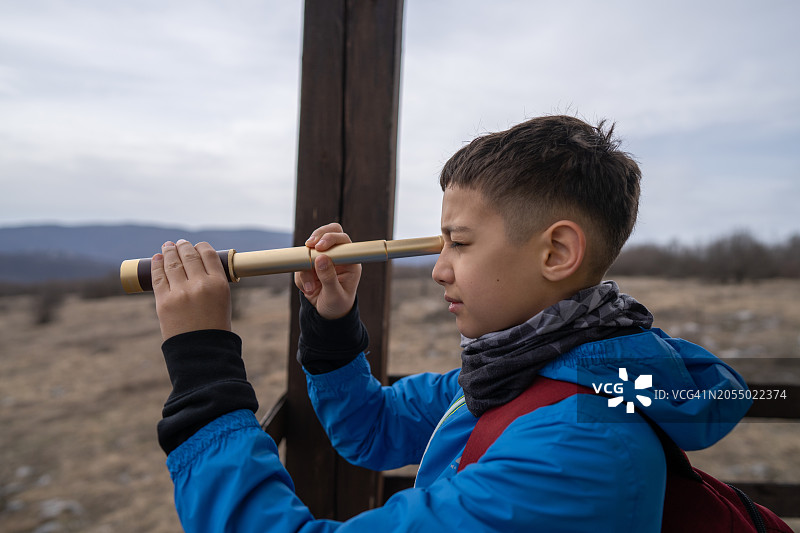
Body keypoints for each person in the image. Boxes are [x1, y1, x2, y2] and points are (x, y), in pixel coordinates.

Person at [151, 115, 752, 532]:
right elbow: (373, 427)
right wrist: (332, 321)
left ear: (556, 253)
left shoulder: (575, 450)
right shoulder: (524, 375)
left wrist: (203, 366)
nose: (439, 269)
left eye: (459, 243)